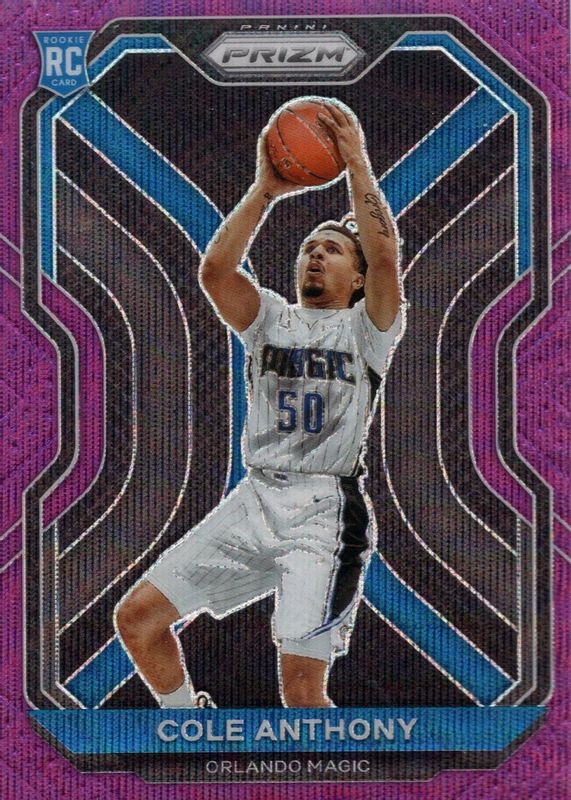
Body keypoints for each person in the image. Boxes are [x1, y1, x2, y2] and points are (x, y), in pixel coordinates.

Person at [115, 101, 404, 709]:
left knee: (299, 687)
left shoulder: (368, 330)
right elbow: (216, 271)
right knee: (137, 619)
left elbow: (385, 257)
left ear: (357, 279)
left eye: (332, 250)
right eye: (309, 248)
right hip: (255, 498)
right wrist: (266, 189)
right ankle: (186, 724)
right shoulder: (270, 318)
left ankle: (337, 764)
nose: (315, 254)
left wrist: (355, 160)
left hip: (325, 510)